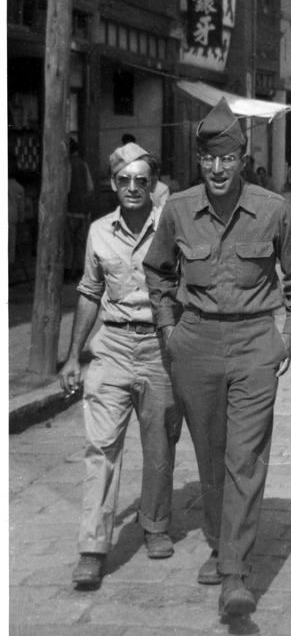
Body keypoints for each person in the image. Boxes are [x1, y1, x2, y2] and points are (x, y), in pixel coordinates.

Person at [143, 97, 291, 617]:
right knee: (211, 456)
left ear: (243, 159)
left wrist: (287, 338)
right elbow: (157, 273)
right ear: (201, 162)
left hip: (255, 345)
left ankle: (236, 575)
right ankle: (222, 544)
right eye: (209, 159)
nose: (218, 169)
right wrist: (169, 329)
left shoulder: (273, 209)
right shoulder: (176, 210)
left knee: (244, 456)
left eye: (228, 158)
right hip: (193, 344)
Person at [60, 142, 181, 589]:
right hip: (111, 346)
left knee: (160, 444)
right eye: (124, 180)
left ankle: (154, 525)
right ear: (113, 184)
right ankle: (92, 547)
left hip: (158, 348)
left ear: (154, 185)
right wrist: (75, 354)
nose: (133, 188)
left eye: (141, 180)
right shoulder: (98, 232)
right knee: (102, 446)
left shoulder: (171, 227)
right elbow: (90, 292)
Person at [64, 139, 94, 283]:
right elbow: (90, 187)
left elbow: (66, 189)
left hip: (69, 209)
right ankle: (79, 271)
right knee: (80, 242)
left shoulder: (67, 164)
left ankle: (68, 270)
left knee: (68, 243)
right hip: (82, 211)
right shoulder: (83, 164)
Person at [8, 156, 25, 267]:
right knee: (10, 247)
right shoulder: (19, 187)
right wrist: (21, 218)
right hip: (11, 217)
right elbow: (21, 206)